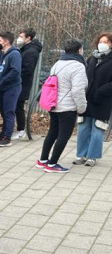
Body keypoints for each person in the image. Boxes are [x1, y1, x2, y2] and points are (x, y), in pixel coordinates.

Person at [36, 40, 87, 173]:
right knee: (64, 135)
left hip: (53, 105)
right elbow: (78, 90)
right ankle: (52, 164)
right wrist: (82, 107)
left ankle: (43, 160)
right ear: (79, 50)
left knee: (52, 132)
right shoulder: (78, 66)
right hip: (67, 107)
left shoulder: (57, 63)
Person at [74, 32, 112, 167]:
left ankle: (92, 156)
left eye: (106, 42)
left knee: (97, 129)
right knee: (83, 127)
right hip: (87, 100)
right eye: (101, 41)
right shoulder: (92, 58)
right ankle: (81, 154)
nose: (103, 44)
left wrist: (101, 92)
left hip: (102, 101)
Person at [0, 31, 22, 147]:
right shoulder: (3, 54)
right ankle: (3, 134)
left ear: (6, 41)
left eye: (0, 40)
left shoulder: (14, 54)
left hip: (11, 87)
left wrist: (1, 82)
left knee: (9, 112)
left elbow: (15, 71)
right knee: (3, 112)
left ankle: (7, 137)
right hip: (2, 88)